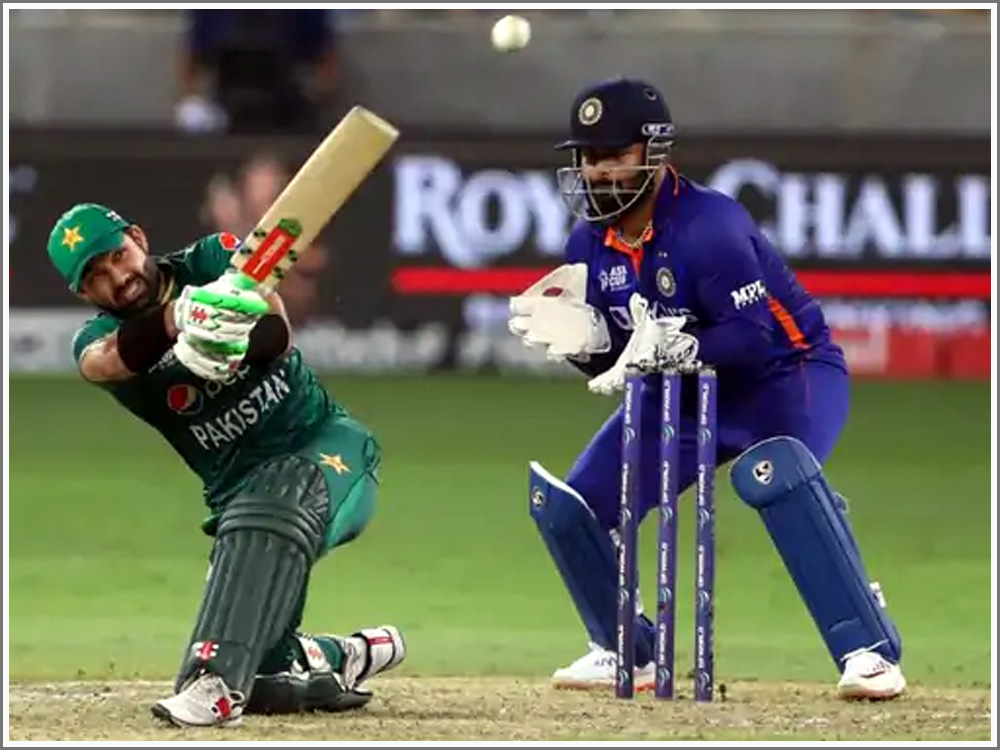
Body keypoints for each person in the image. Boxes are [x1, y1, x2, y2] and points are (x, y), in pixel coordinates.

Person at [508, 78, 906, 701]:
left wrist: (680, 346)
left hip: (783, 377)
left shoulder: (710, 225)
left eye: (614, 155)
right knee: (576, 508)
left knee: (779, 477)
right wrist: (588, 345)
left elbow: (750, 336)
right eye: (588, 157)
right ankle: (625, 648)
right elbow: (623, 363)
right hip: (682, 396)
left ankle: (869, 650)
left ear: (654, 152)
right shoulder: (588, 242)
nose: (599, 172)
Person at [46, 203, 405, 727]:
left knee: (277, 497)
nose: (117, 278)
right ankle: (344, 654)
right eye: (96, 276)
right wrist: (178, 320)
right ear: (83, 294)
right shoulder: (94, 341)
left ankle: (212, 685)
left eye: (118, 256)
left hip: (327, 451)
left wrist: (231, 344)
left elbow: (278, 334)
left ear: (138, 238)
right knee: (268, 681)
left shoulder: (214, 259)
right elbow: (104, 360)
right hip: (240, 503)